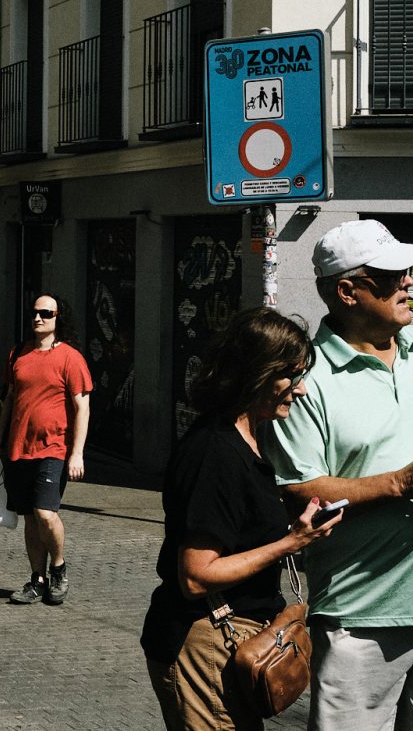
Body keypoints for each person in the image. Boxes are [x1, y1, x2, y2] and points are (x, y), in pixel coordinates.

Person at [261, 220, 413, 731]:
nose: (410, 282)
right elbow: (298, 489)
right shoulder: (306, 377)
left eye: (408, 271)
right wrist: (400, 481)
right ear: (348, 291)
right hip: (361, 614)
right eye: (391, 274)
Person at [140, 308, 340, 731]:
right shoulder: (216, 452)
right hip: (204, 643)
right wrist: (292, 543)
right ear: (257, 374)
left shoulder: (249, 439)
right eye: (291, 376)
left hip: (230, 640)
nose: (300, 390)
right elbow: (196, 576)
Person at [0, 292, 92, 606]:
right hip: (18, 448)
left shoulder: (70, 358)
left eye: (46, 313)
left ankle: (58, 569)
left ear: (59, 319)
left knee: (46, 514)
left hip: (54, 449)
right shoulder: (18, 354)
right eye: (35, 312)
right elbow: (9, 401)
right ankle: (37, 579)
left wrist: (77, 453)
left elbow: (82, 407)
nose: (38, 318)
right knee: (31, 519)